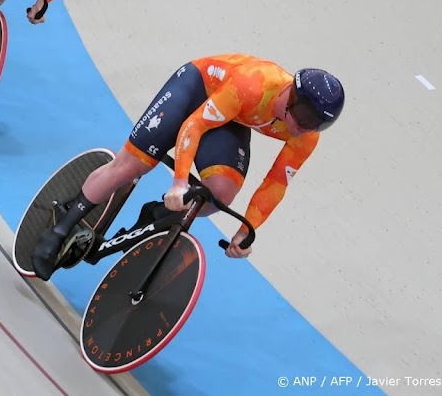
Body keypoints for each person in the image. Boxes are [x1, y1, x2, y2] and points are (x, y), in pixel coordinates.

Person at [30, 54, 346, 281]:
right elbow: (193, 126)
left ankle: (153, 218)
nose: (305, 129)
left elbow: (276, 183)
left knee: (218, 195)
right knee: (132, 165)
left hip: (230, 116)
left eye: (318, 124)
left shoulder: (306, 136)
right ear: (292, 97)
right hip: (197, 88)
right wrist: (180, 181)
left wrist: (246, 231)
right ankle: (60, 229)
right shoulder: (254, 85)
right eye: (305, 118)